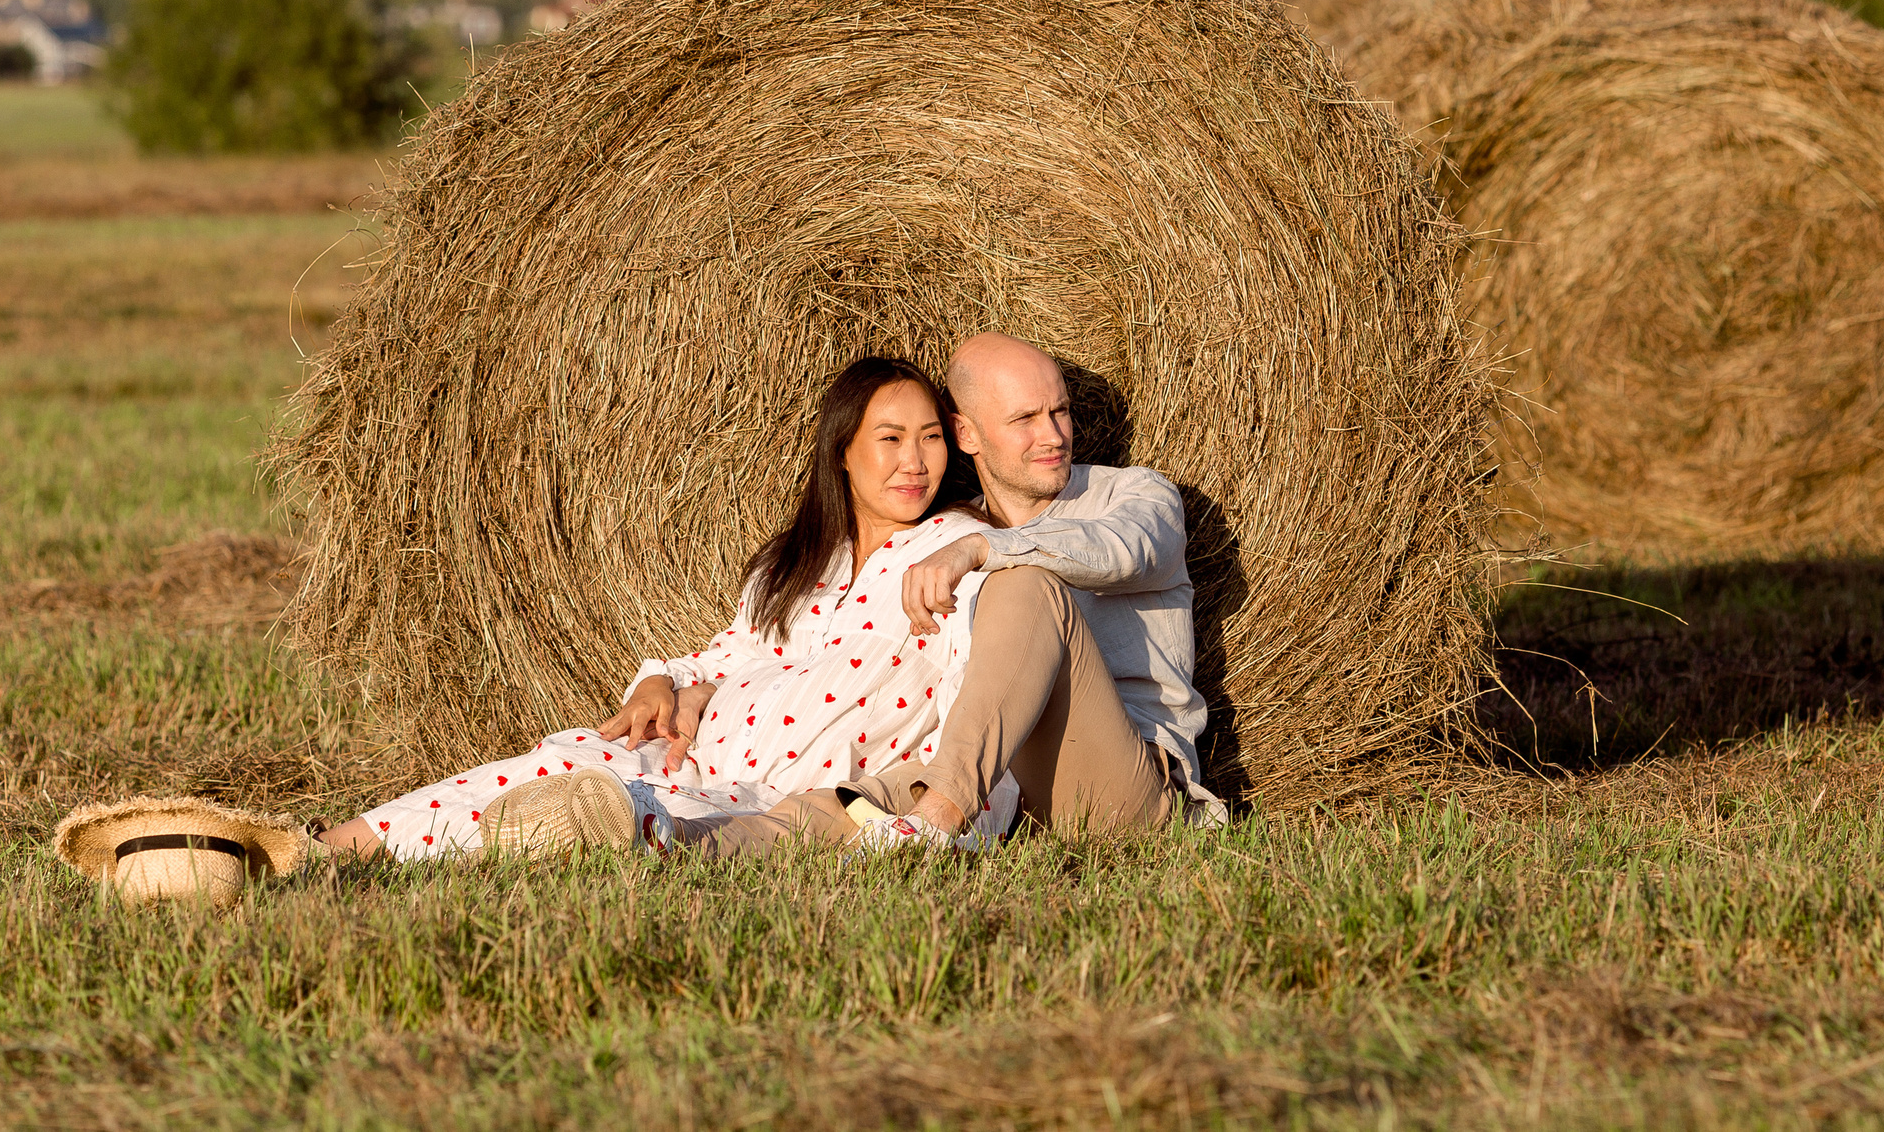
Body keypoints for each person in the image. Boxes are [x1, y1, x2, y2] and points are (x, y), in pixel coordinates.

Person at [315, 356, 1025, 861]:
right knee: (559, 761)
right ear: (841, 451)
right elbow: (729, 653)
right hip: (693, 751)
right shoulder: (803, 560)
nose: (915, 460)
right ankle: (327, 847)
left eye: (930, 436)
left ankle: (453, 849)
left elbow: (984, 683)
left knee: (612, 817)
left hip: (779, 791)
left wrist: (947, 803)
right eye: (891, 438)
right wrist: (662, 678)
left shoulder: (957, 549)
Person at [712, 332, 1220, 856]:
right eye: (1025, 419)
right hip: (994, 775)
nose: (1053, 435)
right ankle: (666, 837)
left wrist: (984, 549)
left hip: (1123, 788)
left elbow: (1125, 550)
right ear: (966, 434)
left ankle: (934, 822)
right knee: (831, 809)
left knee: (1024, 586)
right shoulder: (943, 534)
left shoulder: (1134, 496)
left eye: (1060, 411)